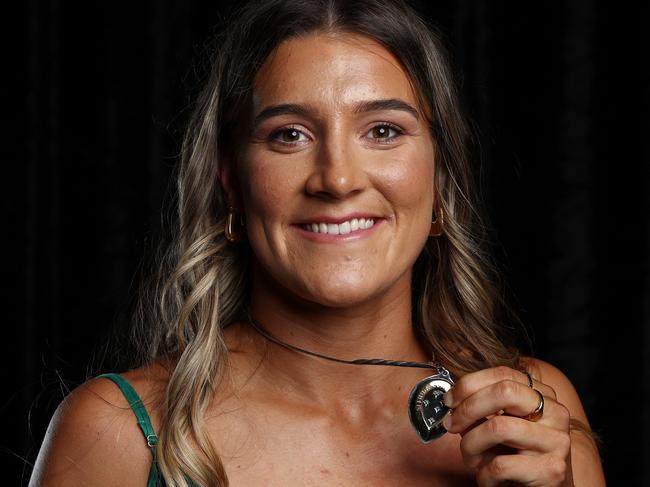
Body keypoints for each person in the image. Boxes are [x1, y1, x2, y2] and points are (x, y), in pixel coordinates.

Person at [30, 0, 605, 485]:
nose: (336, 179)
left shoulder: (532, 412)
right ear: (230, 179)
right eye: (290, 135)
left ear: (440, 177)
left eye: (382, 131)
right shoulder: (118, 435)